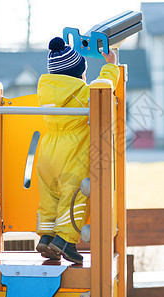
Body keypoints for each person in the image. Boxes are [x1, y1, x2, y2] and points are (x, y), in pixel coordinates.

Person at [36, 37, 120, 264]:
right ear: (78, 74)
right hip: (70, 153)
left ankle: (46, 236)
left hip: (46, 152)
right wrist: (110, 65)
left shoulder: (45, 92)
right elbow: (103, 87)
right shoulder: (81, 94)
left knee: (50, 198)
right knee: (75, 195)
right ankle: (65, 242)